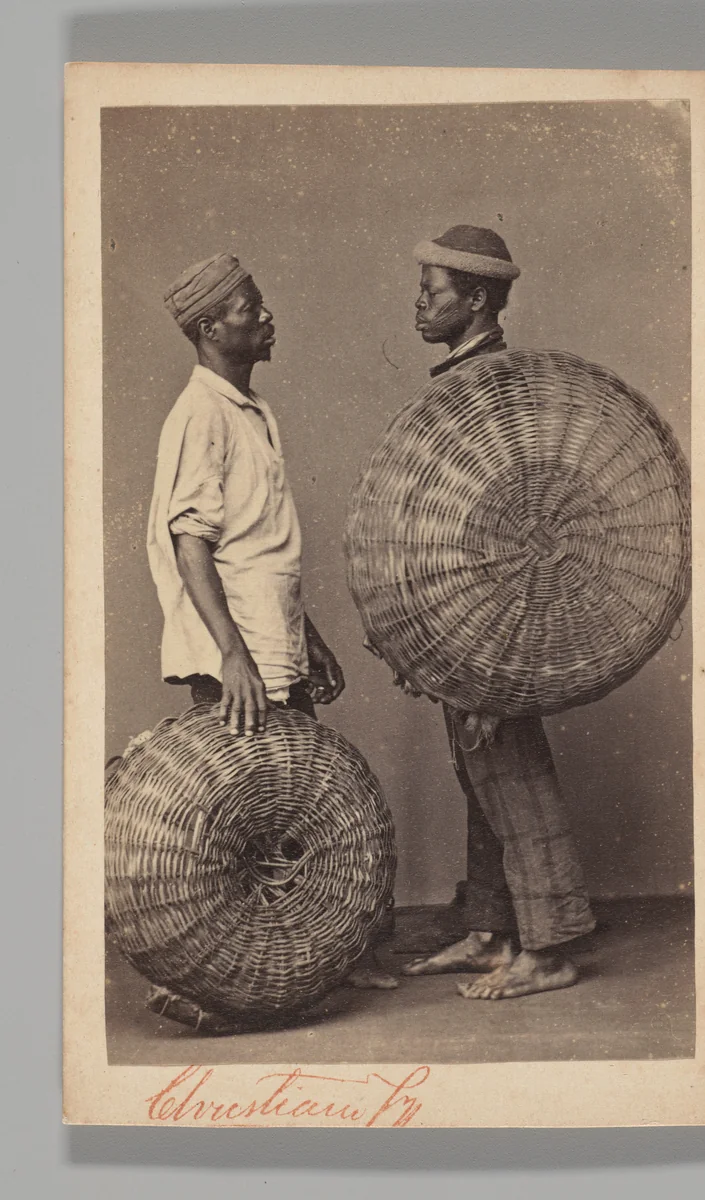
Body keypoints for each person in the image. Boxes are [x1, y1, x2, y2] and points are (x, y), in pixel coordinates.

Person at [147, 252, 396, 999]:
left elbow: (262, 546)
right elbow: (190, 543)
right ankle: (240, 977)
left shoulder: (250, 411)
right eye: (248, 306)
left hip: (270, 638)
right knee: (246, 826)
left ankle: (311, 965)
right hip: (240, 652)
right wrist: (234, 657)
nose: (264, 316)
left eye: (258, 303)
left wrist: (308, 636)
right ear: (206, 327)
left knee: (293, 808)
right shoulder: (199, 414)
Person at [391, 226, 597, 1000]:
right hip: (459, 612)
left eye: (432, 291)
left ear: (475, 299)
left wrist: (484, 641)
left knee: (509, 767)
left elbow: (510, 520)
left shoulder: (495, 381)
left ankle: (548, 946)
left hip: (493, 614)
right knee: (478, 768)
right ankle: (491, 930)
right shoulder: (459, 374)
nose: (418, 302)